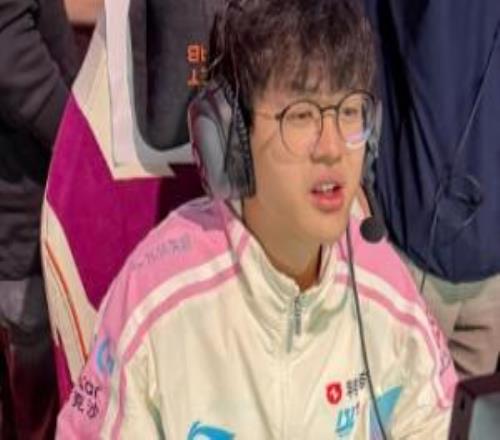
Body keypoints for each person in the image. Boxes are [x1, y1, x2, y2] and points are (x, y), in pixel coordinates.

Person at [56, 0, 457, 438]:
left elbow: (435, 422)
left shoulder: (387, 289)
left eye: (348, 112)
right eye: (300, 115)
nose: (332, 148)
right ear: (230, 139)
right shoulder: (154, 300)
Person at [0, 0, 78, 438]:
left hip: (20, 224)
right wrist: (81, 142)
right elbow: (16, 64)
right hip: (22, 233)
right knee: (38, 416)